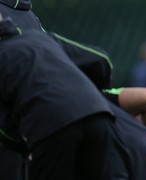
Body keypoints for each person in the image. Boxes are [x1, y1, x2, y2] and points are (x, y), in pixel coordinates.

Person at [0, 14, 131, 180]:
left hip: (48, 128)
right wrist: (93, 94)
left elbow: (4, 131)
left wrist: (24, 146)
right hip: (97, 113)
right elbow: (101, 60)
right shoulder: (41, 37)